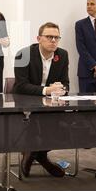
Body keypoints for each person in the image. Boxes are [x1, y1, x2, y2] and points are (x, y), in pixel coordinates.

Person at [13, 22, 69, 178]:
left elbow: (66, 83)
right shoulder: (23, 54)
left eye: (56, 37)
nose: (53, 41)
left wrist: (61, 88)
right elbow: (21, 85)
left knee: (65, 121)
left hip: (49, 104)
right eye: (49, 37)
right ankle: (38, 156)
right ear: (38, 38)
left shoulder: (62, 55)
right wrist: (47, 90)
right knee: (40, 120)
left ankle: (36, 153)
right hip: (25, 101)